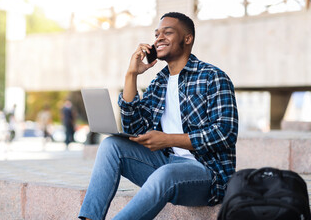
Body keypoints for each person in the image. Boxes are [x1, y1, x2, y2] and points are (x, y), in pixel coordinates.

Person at [78, 12, 239, 220]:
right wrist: (131, 75)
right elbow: (133, 127)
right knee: (111, 146)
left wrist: (168, 140)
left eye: (168, 32)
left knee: (166, 173)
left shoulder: (213, 77)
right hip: (167, 164)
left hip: (208, 175)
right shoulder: (159, 82)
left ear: (187, 39)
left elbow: (225, 134)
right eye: (156, 34)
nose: (159, 38)